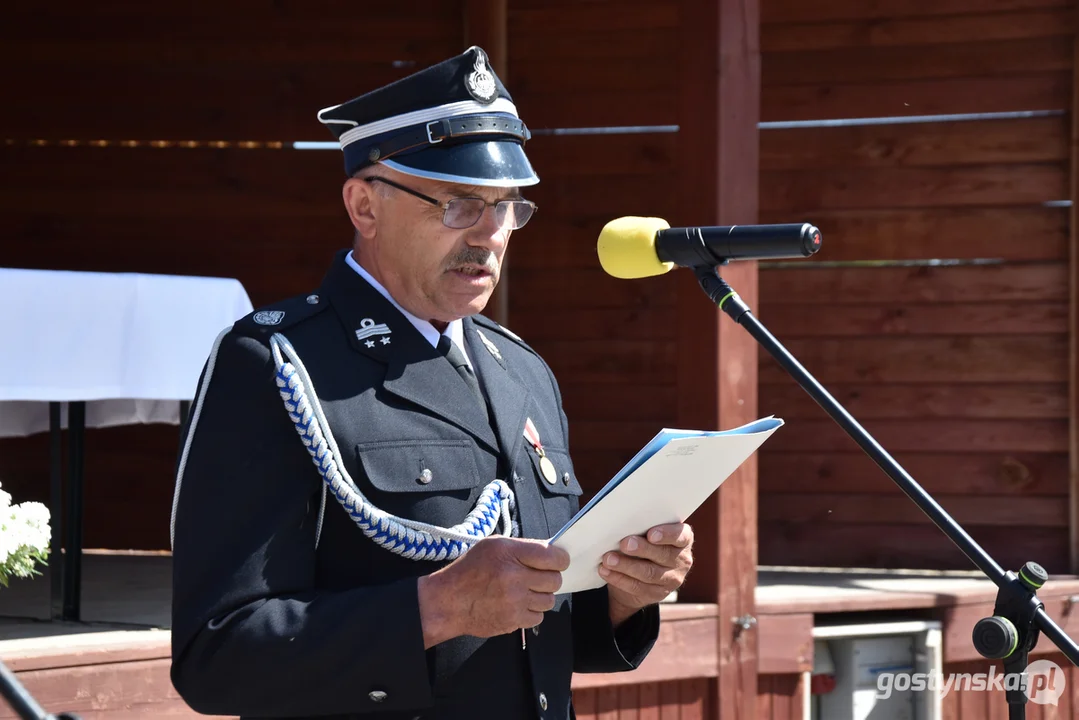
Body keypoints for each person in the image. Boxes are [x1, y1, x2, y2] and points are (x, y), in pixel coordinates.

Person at [168, 46, 694, 720]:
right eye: (457, 205)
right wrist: (436, 608)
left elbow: (544, 638)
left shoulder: (521, 369)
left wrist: (625, 592)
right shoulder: (276, 362)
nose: (488, 235)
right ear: (364, 205)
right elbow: (217, 660)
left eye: (504, 207)